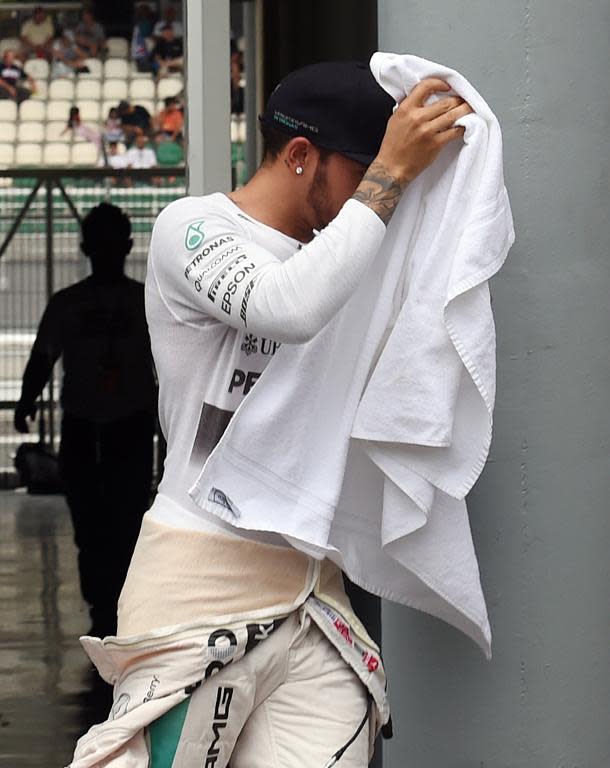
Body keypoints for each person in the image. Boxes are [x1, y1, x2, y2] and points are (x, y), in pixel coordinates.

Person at [70, 62, 472, 766]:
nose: (377, 194)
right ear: (298, 156)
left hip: (315, 593)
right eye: (362, 170)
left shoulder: (347, 259)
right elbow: (285, 306)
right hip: (198, 578)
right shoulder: (191, 228)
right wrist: (391, 176)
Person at [14, 204, 157, 639]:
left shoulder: (121, 302)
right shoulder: (132, 302)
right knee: (103, 524)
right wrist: (26, 400)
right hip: (101, 426)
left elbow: (42, 359)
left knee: (111, 523)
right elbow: (42, 358)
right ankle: (108, 609)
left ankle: (113, 607)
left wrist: (27, 402)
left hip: (119, 425)